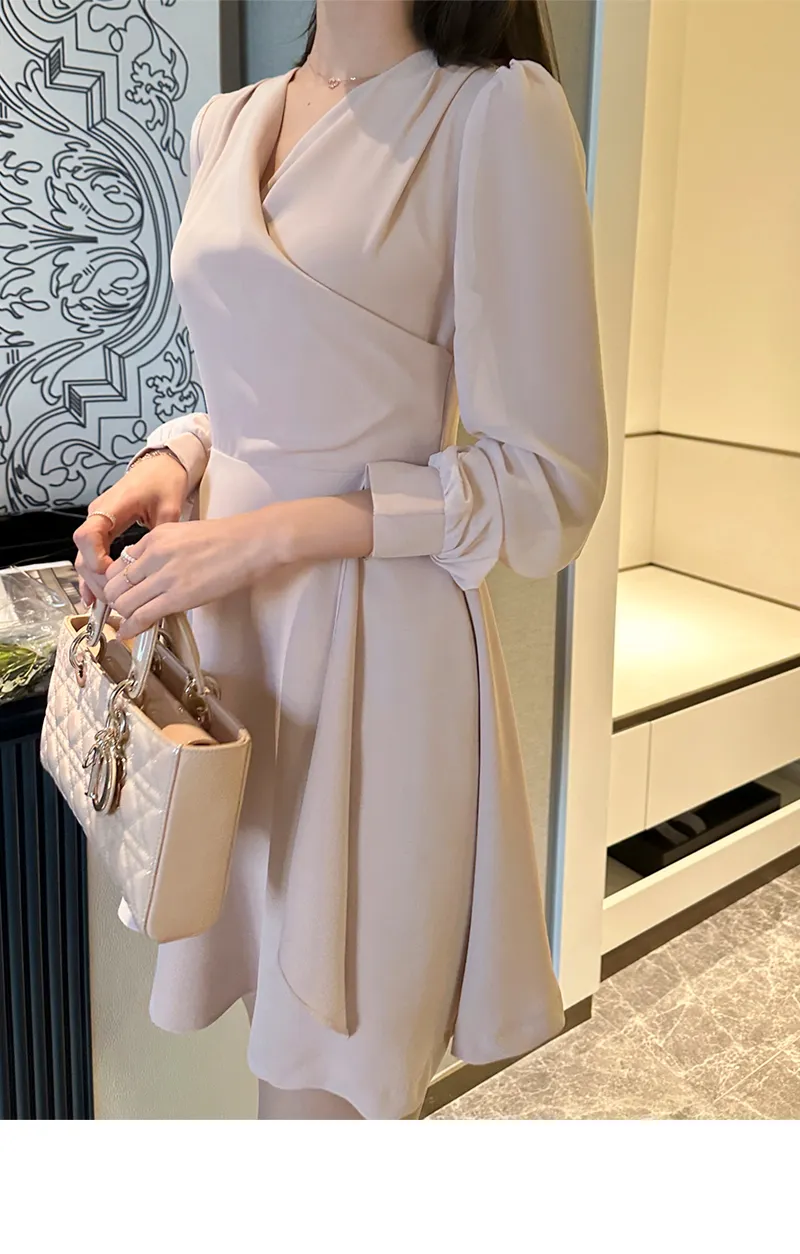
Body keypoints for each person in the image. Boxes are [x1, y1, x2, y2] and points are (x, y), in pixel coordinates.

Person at [73, 0, 609, 1121]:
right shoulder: (229, 123)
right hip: (233, 651)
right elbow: (264, 386)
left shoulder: (492, 114)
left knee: (330, 1084)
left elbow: (547, 479)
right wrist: (173, 459)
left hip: (373, 661)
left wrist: (267, 536)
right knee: (270, 1035)